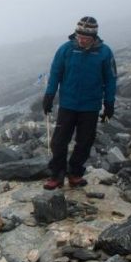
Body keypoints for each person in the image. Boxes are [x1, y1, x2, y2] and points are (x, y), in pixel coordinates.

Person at [42, 16, 117, 189]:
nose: (81, 40)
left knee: (85, 141)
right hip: (68, 104)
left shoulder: (105, 52)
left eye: (85, 38)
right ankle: (57, 174)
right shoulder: (66, 49)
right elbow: (55, 73)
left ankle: (75, 173)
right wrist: (49, 95)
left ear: (94, 37)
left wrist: (109, 103)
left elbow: (111, 79)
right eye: (79, 36)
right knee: (58, 141)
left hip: (90, 105)